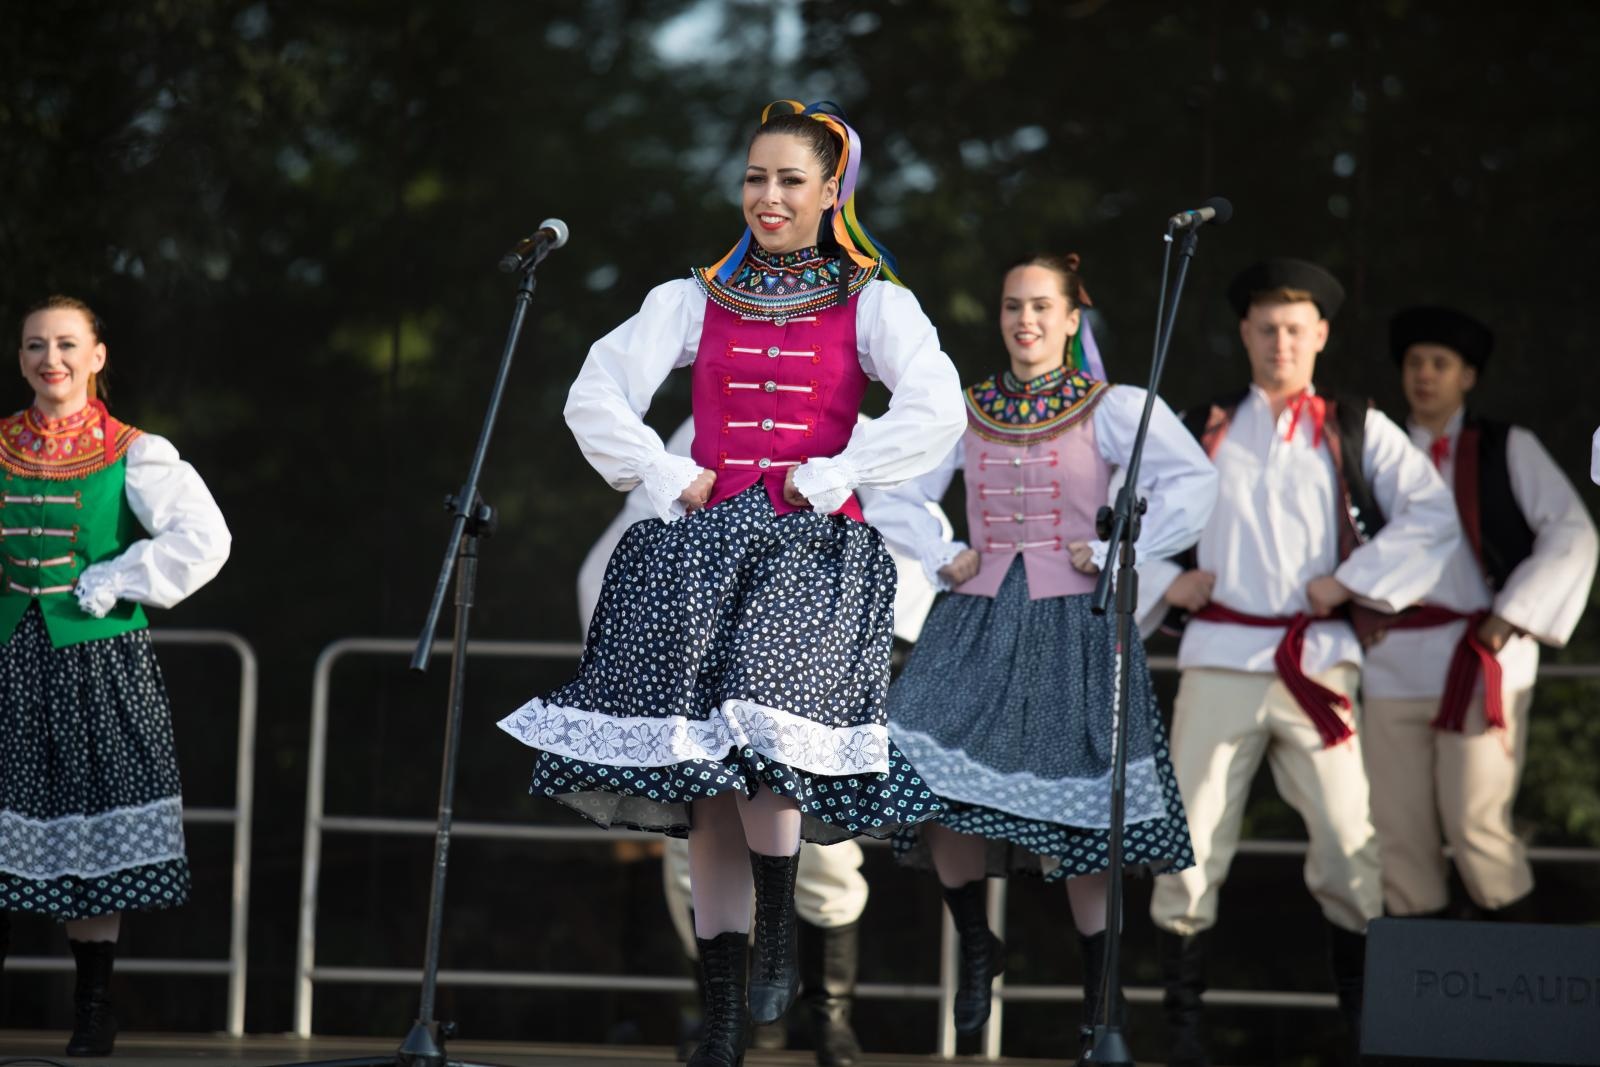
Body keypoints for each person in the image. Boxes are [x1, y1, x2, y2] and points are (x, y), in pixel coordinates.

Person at [497, 100, 964, 1067]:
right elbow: (594, 389)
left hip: (810, 549)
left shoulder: (873, 299)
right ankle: (719, 1018)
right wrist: (665, 473)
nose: (769, 195)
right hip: (701, 547)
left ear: (833, 190)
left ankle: (782, 926)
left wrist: (840, 469)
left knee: (761, 736)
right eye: (756, 177)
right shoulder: (692, 296)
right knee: (706, 783)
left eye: (791, 179)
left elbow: (936, 405)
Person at [864, 253, 1214, 1054]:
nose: (1025, 320)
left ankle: (1103, 1005)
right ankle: (977, 945)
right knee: (918, 765)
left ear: (1069, 320)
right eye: (1013, 305)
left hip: (1076, 620)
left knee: (1081, 799)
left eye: (1041, 307)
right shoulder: (967, 409)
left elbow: (1193, 481)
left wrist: (1128, 548)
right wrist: (939, 546)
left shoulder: (1112, 407)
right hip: (978, 615)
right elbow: (893, 487)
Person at [1147, 259, 1460, 1066]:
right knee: (1189, 843)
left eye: (1295, 327)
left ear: (1320, 334)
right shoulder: (1206, 422)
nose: (1280, 341)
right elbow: (1130, 518)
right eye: (1265, 326)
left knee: (1351, 842)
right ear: (1244, 334)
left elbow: (1431, 515)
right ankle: (1182, 1033)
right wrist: (1167, 578)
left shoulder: (1353, 423)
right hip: (1219, 656)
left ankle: (1366, 1032)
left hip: (1317, 661)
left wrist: (1350, 581)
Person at [574, 414, 951, 1067]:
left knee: (817, 852)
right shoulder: (704, 424)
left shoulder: (852, 424)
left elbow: (917, 538)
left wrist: (857, 641)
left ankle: (830, 1017)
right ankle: (731, 1018)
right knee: (693, 853)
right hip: (704, 675)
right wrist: (631, 681)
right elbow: (617, 550)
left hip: (810, 667)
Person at [0, 295, 231, 1055]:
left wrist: (120, 576)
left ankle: (93, 1005)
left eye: (67, 344)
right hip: (8, 657)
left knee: (96, 832)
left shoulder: (134, 449)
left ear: (97, 357)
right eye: (36, 345)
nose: (50, 359)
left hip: (96, 658)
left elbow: (205, 536)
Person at [1361, 306, 1597, 921]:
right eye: (1415, 363)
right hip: (1391, 663)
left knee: (1477, 826)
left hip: (1481, 655)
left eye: (1441, 364)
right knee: (1397, 834)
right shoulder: (1373, 452)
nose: (1425, 375)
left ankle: (1516, 992)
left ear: (1467, 376)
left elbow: (1573, 534)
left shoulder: (1505, 446)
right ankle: (1422, 998)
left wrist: (1512, 613)